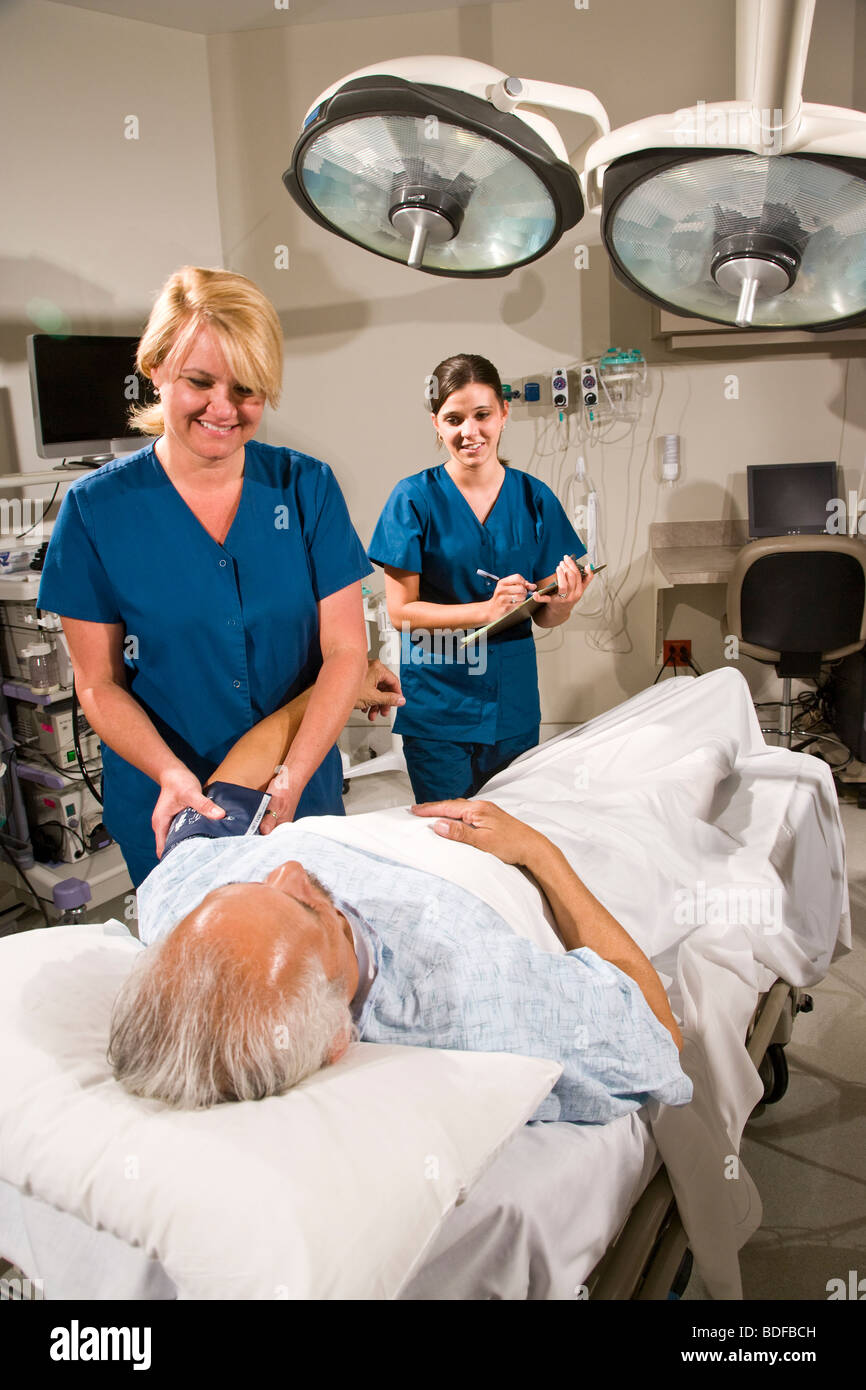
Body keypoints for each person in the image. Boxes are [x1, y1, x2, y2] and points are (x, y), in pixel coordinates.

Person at [108, 686, 690, 1123]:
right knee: (683, 749)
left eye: (253, 883)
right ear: (338, 1036)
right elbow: (660, 1034)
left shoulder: (183, 895)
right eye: (308, 909)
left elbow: (233, 785)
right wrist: (540, 854)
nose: (285, 868)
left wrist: (336, 690)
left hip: (486, 806)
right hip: (553, 842)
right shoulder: (477, 1003)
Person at [38, 266, 379, 886]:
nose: (224, 408)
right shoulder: (97, 511)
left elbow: (346, 651)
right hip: (170, 806)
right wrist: (170, 773)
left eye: (247, 389)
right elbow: (98, 686)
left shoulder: (306, 489)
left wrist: (293, 776)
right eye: (200, 382)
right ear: (156, 368)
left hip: (297, 792)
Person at [367, 353, 594, 804]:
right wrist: (486, 610)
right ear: (436, 423)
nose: (469, 431)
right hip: (438, 704)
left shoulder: (534, 498)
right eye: (454, 419)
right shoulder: (412, 498)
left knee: (509, 833)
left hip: (512, 703)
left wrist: (564, 601)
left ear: (504, 414)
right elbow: (402, 612)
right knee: (449, 836)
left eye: (482, 415)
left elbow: (546, 618)